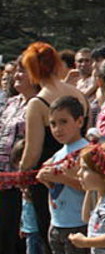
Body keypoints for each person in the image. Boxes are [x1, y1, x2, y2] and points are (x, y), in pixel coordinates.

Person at [19, 42, 89, 252]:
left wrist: (22, 174)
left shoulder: (37, 103)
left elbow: (32, 151)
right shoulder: (79, 94)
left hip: (48, 179)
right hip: (81, 169)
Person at [36, 96, 89, 254]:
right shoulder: (58, 154)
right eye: (53, 124)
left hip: (79, 224)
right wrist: (46, 179)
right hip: (57, 224)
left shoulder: (86, 151)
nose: (57, 129)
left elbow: (91, 188)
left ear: (79, 121)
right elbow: (55, 187)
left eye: (63, 122)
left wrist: (60, 178)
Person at [0, 57, 40, 254]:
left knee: (14, 236)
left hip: (21, 181)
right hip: (2, 178)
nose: (17, 75)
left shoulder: (39, 103)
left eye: (23, 71)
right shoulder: (11, 102)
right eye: (17, 70)